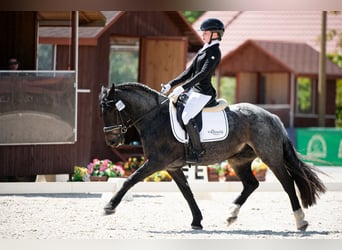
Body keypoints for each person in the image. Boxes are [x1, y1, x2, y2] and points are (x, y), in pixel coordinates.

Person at [161, 18, 225, 163]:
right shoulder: (204, 50)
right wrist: (171, 84)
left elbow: (202, 74)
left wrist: (183, 88)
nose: (203, 36)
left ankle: (197, 151)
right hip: (193, 91)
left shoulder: (215, 52)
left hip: (203, 93)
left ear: (215, 34)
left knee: (186, 116)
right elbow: (189, 72)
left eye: (206, 33)